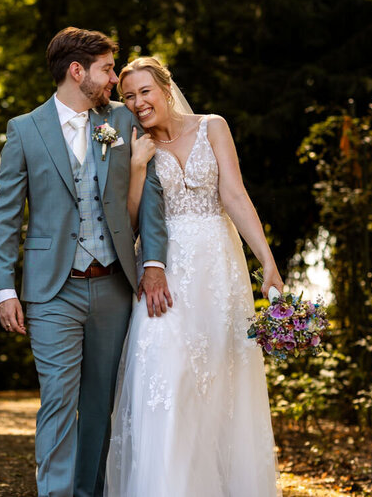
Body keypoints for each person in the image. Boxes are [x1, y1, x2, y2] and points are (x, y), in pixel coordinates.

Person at [0, 28, 171, 497]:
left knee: (98, 406)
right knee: (57, 400)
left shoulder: (121, 122)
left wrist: (154, 262)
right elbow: (5, 214)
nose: (114, 78)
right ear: (77, 71)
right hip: (52, 291)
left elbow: (149, 196)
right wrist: (4, 287)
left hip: (113, 285)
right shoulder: (24, 130)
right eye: (107, 68)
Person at [104, 56, 283, 496]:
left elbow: (235, 195)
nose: (138, 102)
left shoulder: (212, 126)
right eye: (128, 96)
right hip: (162, 273)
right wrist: (139, 166)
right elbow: (127, 223)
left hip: (219, 269)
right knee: (165, 374)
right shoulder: (133, 144)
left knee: (223, 381)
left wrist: (268, 261)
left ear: (165, 87)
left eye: (144, 91)